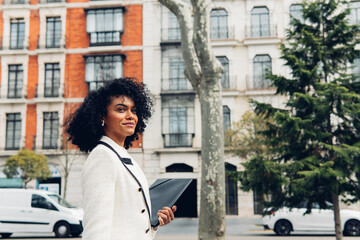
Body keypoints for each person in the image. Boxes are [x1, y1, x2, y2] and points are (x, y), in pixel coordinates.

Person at [66, 77, 176, 240]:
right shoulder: (102, 157)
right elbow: (96, 230)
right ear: (103, 116)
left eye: (134, 110)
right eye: (121, 109)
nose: (131, 116)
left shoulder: (122, 156)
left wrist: (153, 222)